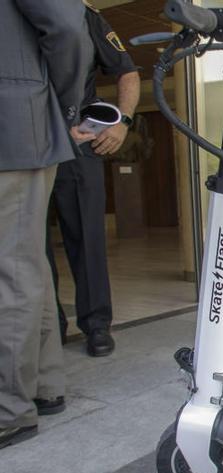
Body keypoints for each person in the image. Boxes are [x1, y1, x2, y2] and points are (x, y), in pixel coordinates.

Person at [1, 0, 93, 449]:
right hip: (20, 124)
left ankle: (8, 408)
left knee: (11, 271)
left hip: (14, 125)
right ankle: (42, 385)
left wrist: (66, 107)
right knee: (22, 263)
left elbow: (66, 26)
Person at [47, 1, 141, 357]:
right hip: (24, 143)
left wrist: (123, 122)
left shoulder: (84, 16)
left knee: (87, 236)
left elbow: (127, 71)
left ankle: (96, 324)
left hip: (78, 143)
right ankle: (47, 327)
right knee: (29, 247)